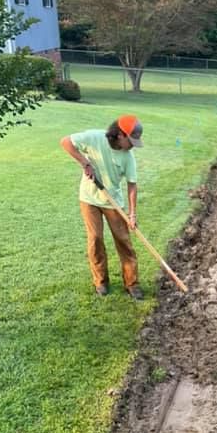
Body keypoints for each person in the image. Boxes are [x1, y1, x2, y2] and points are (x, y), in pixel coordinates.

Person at [60, 115, 145, 299]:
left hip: (113, 201)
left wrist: (132, 214)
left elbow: (132, 185)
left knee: (124, 241)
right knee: (95, 238)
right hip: (89, 198)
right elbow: (65, 142)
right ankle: (101, 282)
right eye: (131, 141)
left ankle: (132, 283)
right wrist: (85, 163)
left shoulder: (128, 157)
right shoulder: (95, 137)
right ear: (121, 135)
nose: (132, 146)